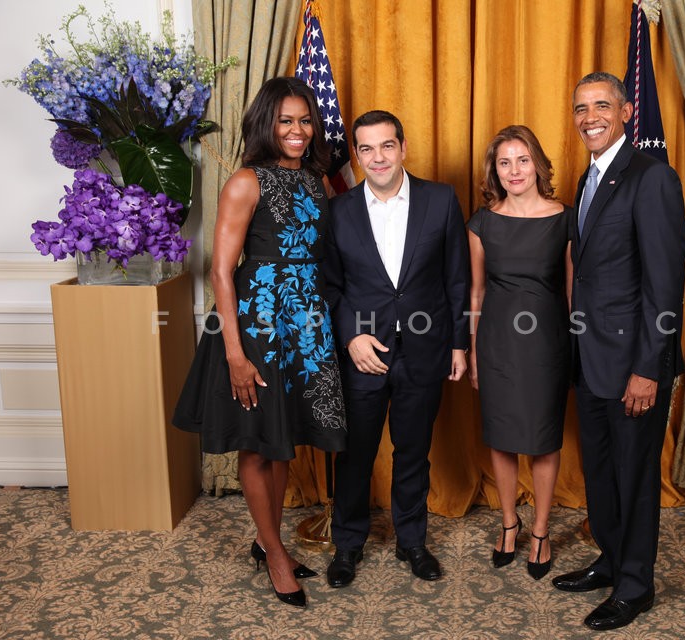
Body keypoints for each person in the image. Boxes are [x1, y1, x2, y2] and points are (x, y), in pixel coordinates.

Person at [173, 77, 348, 608]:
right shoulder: (246, 181)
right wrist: (235, 353)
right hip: (258, 326)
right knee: (256, 442)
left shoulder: (318, 180)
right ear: (265, 124)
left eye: (304, 120)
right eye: (285, 120)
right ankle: (274, 553)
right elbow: (221, 271)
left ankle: (266, 539)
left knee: (281, 437)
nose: (297, 130)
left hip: (306, 323)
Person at [551, 72, 685, 631]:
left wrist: (648, 369)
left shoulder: (652, 177)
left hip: (634, 364)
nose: (590, 118)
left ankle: (635, 585)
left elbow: (664, 285)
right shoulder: (590, 177)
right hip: (591, 359)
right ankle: (610, 560)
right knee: (602, 473)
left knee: (634, 477)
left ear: (627, 112)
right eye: (581, 108)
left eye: (601, 106)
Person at [322, 110, 470, 587]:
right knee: (355, 454)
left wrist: (459, 344)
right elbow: (330, 286)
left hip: (424, 350)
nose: (378, 157)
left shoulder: (440, 199)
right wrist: (351, 336)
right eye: (366, 148)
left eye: (387, 145)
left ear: (403, 148)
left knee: (413, 451)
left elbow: (457, 278)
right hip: (364, 353)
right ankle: (348, 544)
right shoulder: (338, 210)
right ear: (356, 155)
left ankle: (412, 541)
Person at [467, 125, 572, 580]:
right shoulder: (482, 222)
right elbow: (476, 292)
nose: (514, 170)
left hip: (548, 343)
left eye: (522, 160)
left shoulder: (565, 219)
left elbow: (573, 292)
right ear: (495, 170)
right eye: (504, 162)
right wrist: (474, 353)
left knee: (544, 439)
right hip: (496, 344)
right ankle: (509, 524)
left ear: (538, 165)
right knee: (502, 437)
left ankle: (541, 531)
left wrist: (577, 348)